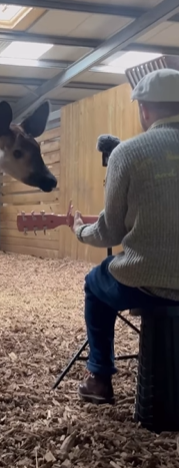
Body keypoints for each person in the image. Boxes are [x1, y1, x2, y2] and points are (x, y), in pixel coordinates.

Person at [72, 68, 179, 405]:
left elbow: (111, 231)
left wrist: (79, 230)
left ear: (144, 109)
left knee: (95, 282)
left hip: (145, 283)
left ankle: (100, 378)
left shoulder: (126, 153)